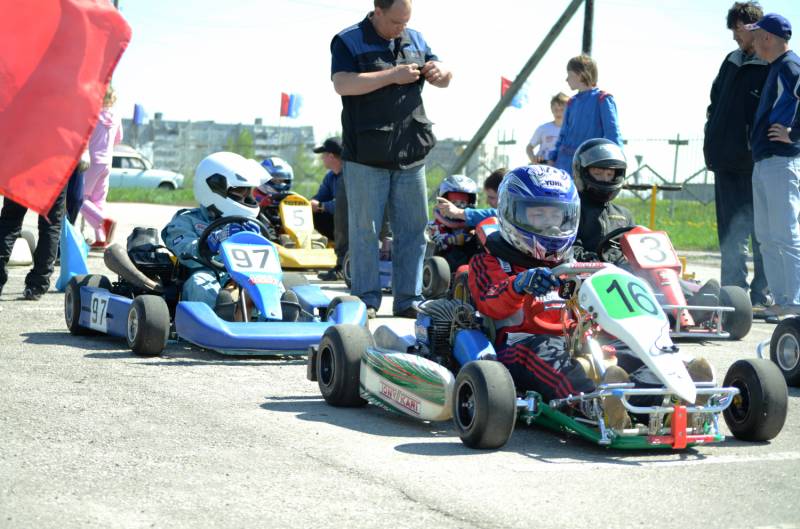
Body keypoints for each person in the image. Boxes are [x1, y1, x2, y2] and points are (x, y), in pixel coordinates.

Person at [467, 164, 713, 430]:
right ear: (511, 213)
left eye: (557, 215)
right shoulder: (491, 261)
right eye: (538, 215)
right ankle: (594, 405)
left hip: (581, 338)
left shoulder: (574, 261)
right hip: (520, 343)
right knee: (547, 354)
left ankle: (664, 404)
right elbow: (489, 302)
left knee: (629, 350)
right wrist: (519, 284)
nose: (550, 225)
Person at [330, 0, 452, 319]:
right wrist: (392, 76)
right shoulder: (348, 40)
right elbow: (342, 83)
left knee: (414, 229)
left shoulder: (416, 39)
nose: (401, 28)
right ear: (378, 11)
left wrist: (442, 73)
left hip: (411, 152)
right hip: (365, 156)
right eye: (396, 22)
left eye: (406, 21)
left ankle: (409, 299)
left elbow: (445, 75)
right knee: (365, 231)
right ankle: (366, 299)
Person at [704, 1, 771, 312]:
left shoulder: (771, 65)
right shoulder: (730, 61)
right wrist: (710, 134)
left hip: (756, 164)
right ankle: (733, 295)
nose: (734, 36)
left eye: (738, 30)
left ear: (754, 28)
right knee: (729, 233)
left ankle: (761, 295)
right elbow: (714, 103)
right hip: (724, 162)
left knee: (762, 234)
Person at [162, 152, 264, 319]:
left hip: (243, 276)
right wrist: (213, 240)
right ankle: (214, 323)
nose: (246, 196)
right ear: (213, 188)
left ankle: (279, 321)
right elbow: (184, 251)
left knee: (272, 284)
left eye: (248, 191)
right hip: (207, 273)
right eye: (240, 190)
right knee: (200, 283)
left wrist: (258, 241)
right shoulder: (186, 220)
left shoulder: (248, 223)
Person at [747, 13, 800, 317]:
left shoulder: (791, 66)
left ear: (767, 37)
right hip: (764, 161)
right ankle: (781, 300)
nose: (753, 42)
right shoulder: (775, 68)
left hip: (781, 161)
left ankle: (795, 301)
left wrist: (795, 134)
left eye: (756, 36)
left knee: (785, 235)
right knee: (767, 238)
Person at [548, 55, 623, 176]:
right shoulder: (571, 102)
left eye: (569, 74)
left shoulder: (603, 99)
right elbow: (563, 135)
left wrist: (616, 163)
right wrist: (553, 158)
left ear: (580, 74)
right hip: (563, 165)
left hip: (588, 165)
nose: (566, 79)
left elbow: (612, 134)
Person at [0, 182, 67, 302]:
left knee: (10, 222)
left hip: (21, 173)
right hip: (54, 173)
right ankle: (37, 285)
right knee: (50, 226)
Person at [570, 138, 634, 261]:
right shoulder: (571, 211)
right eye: (597, 174)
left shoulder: (624, 216)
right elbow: (570, 249)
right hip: (584, 271)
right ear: (582, 172)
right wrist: (600, 262)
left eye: (609, 175)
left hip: (620, 271)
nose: (605, 179)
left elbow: (635, 251)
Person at [80, 85, 123, 249]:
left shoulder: (92, 115)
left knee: (79, 198)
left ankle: (103, 221)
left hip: (92, 161)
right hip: (107, 162)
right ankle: (101, 238)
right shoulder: (117, 116)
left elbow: (83, 136)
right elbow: (118, 139)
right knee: (98, 201)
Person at [310, 138, 348, 281]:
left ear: (331, 156)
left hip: (354, 220)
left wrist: (321, 206)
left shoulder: (350, 175)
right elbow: (319, 198)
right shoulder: (330, 176)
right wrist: (311, 204)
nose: (321, 158)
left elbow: (345, 204)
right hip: (341, 220)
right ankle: (342, 256)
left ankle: (342, 266)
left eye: (323, 155)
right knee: (314, 215)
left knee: (341, 215)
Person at [426, 174, 480, 273]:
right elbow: (436, 240)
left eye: (462, 203)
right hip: (440, 268)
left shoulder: (472, 226)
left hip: (467, 267)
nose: (457, 206)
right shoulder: (435, 225)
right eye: (454, 202)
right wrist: (454, 239)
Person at [434, 167, 504, 228]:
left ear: (505, 197)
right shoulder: (434, 227)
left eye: (491, 197)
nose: (487, 202)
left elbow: (499, 215)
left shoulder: (508, 216)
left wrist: (458, 212)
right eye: (454, 202)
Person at [526, 92, 568, 164]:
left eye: (562, 109)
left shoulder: (572, 130)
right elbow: (529, 147)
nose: (558, 113)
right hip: (544, 164)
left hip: (563, 165)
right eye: (556, 109)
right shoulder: (543, 128)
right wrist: (533, 159)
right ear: (551, 109)